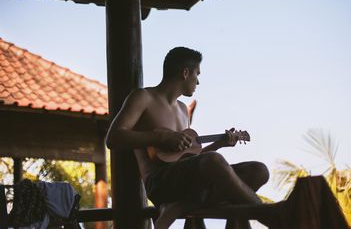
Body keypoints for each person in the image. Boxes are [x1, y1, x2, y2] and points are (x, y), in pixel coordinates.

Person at [105, 47, 270, 229]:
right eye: (196, 74)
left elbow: (189, 159)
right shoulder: (143, 97)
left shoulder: (183, 110)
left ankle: (185, 204)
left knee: (258, 171)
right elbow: (113, 138)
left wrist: (219, 144)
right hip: (159, 182)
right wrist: (160, 137)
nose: (198, 81)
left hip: (188, 183)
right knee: (214, 164)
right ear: (185, 73)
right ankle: (268, 215)